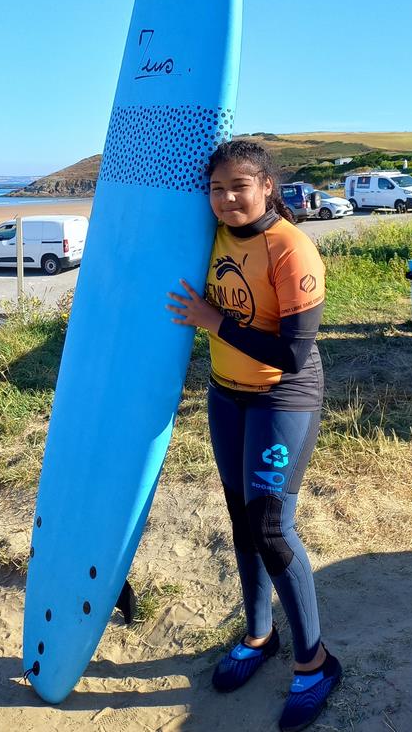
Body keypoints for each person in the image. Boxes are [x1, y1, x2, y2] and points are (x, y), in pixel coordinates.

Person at [167, 140, 341, 732]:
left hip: (281, 396)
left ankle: (315, 663)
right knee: (242, 517)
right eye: (216, 189)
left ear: (267, 185)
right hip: (226, 394)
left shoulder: (291, 249)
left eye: (239, 186)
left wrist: (214, 321)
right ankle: (260, 635)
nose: (226, 199)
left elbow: (293, 354)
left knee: (271, 526)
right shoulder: (209, 234)